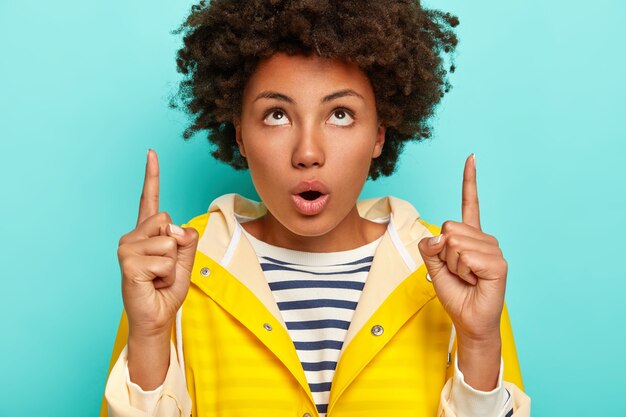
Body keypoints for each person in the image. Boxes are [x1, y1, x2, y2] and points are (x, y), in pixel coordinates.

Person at [102, 1, 531, 416]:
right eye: (276, 115)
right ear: (240, 137)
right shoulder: (179, 268)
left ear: (379, 135)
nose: (308, 152)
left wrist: (477, 342)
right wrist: (150, 335)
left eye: (340, 114)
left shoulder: (454, 271)